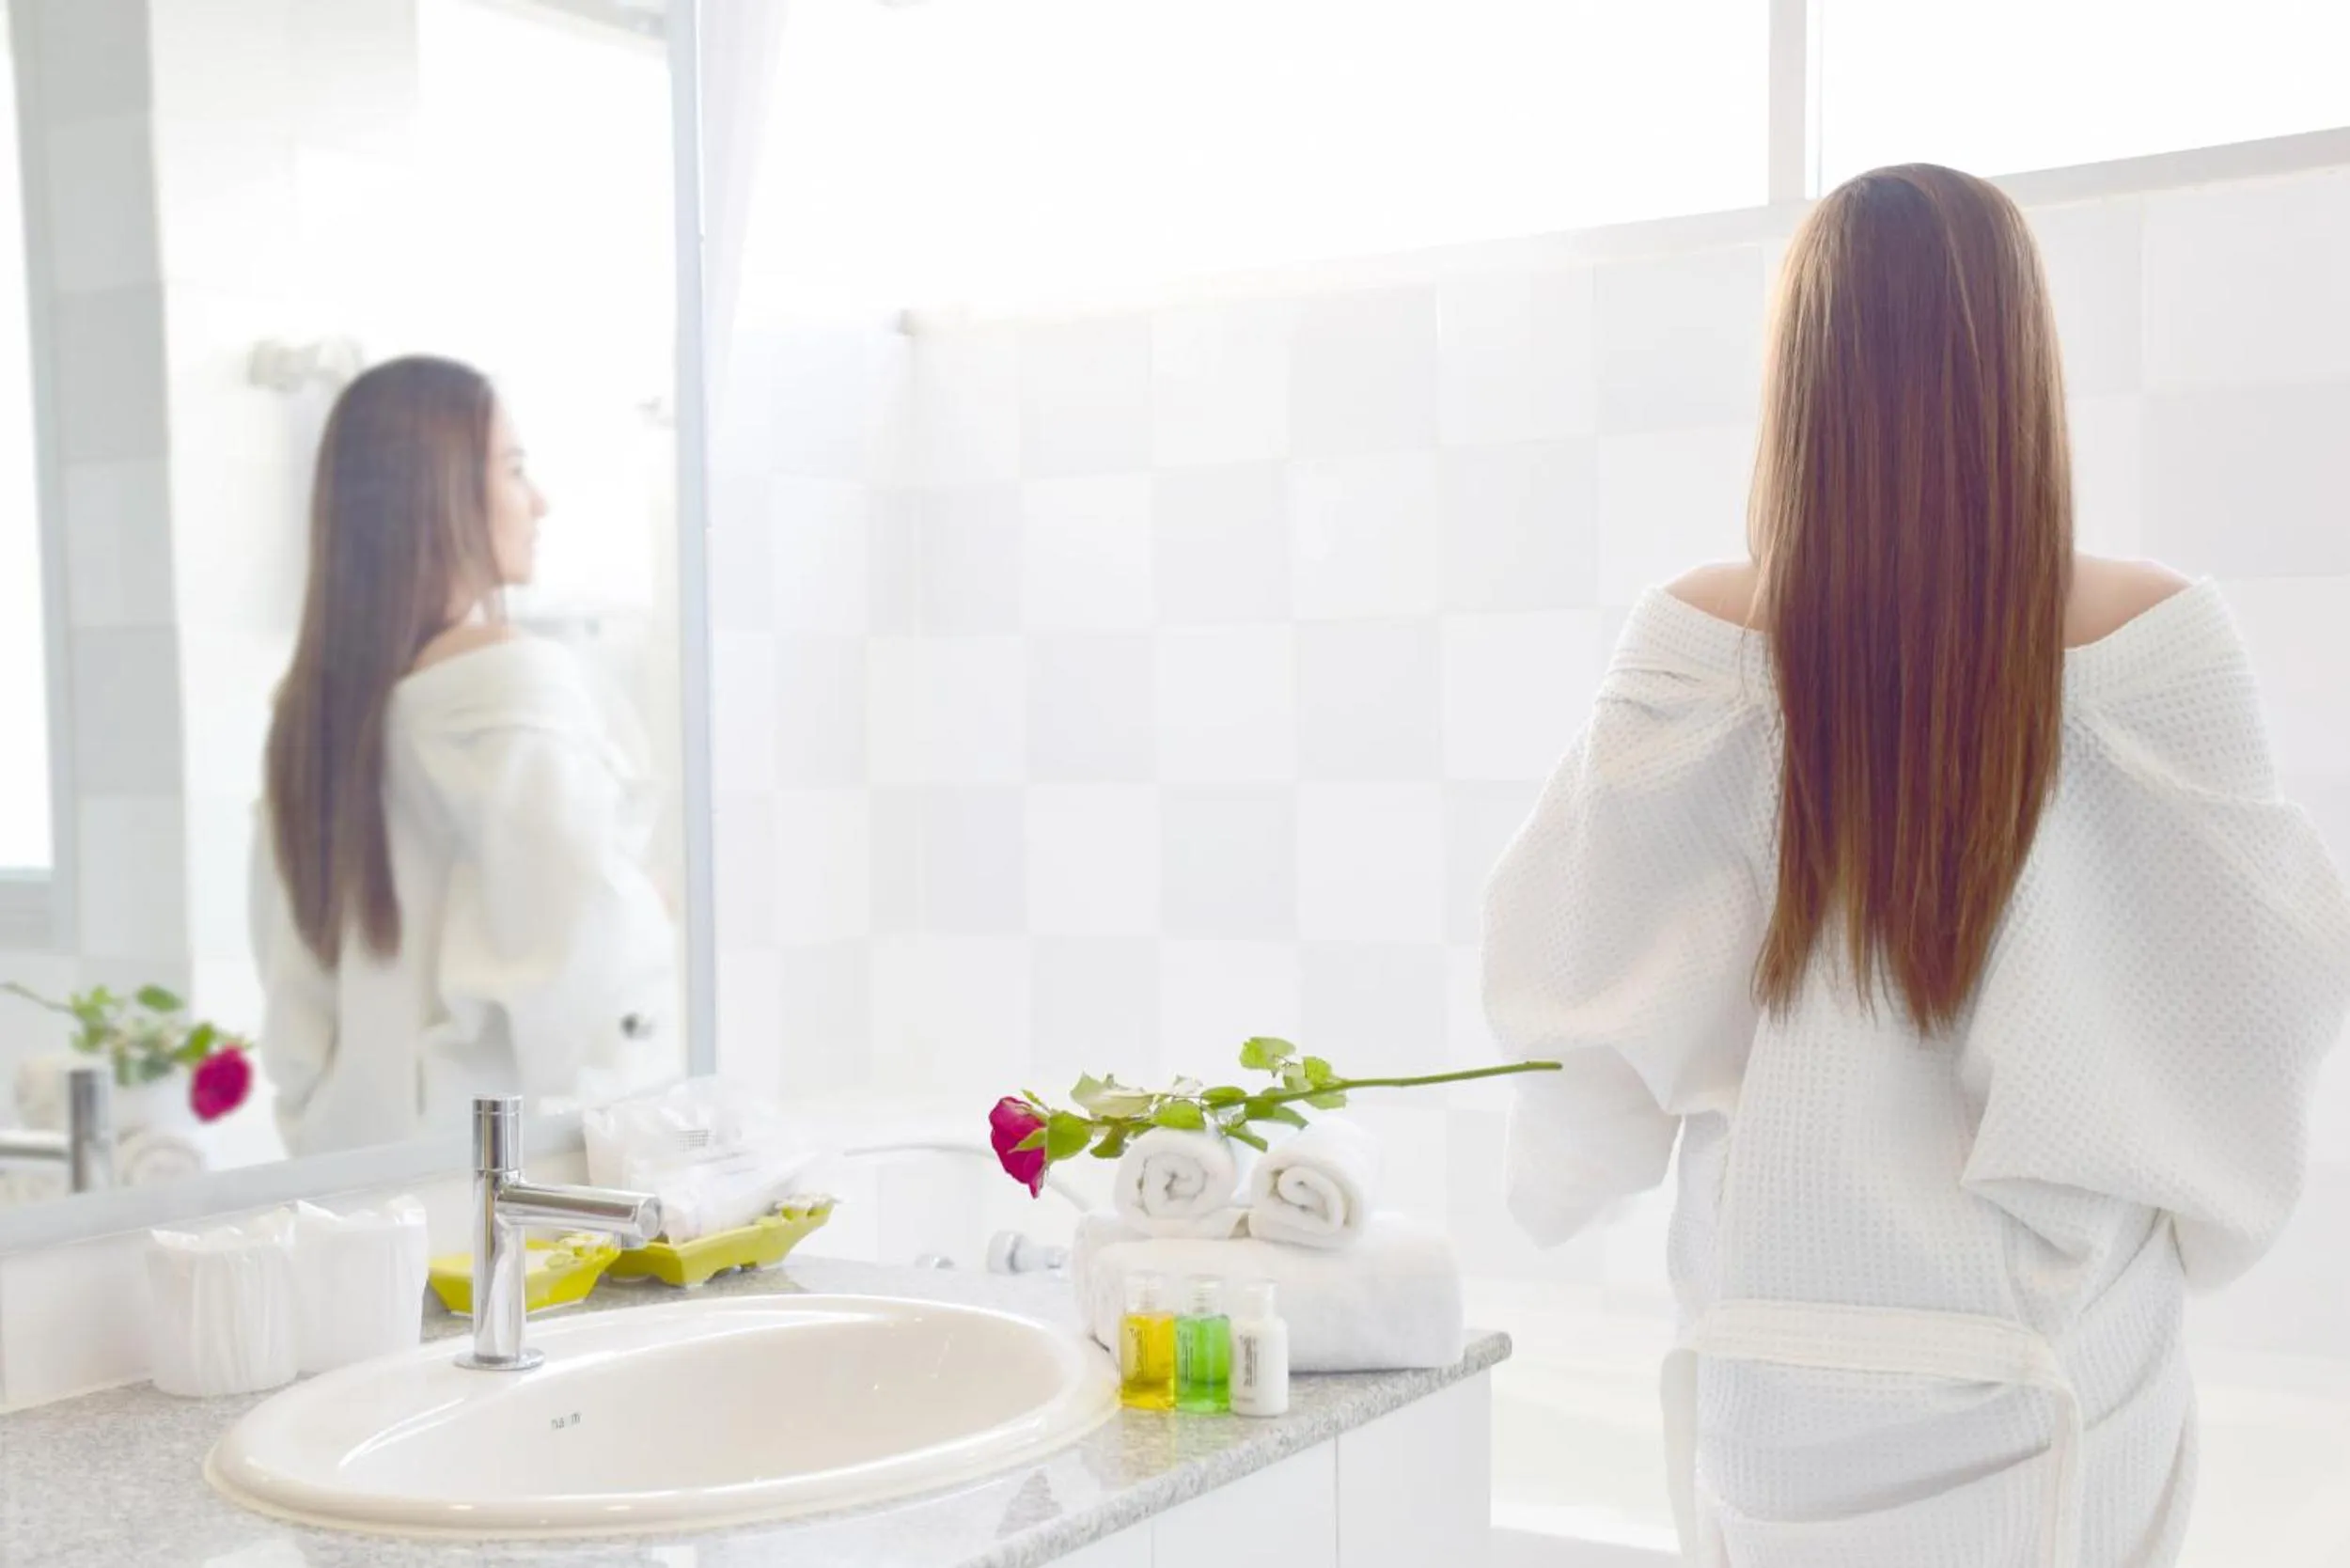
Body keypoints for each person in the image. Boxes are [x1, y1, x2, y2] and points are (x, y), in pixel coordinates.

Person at [1483, 165, 2350, 1568]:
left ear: (1801, 375)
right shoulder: (2158, 639)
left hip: (1770, 1375)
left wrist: (1577, 1169)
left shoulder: (1696, 640)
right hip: (2048, 1371)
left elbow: (1572, 998)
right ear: (2019, 361)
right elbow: (2256, 1003)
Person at [254, 355, 674, 1157]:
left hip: (350, 1184)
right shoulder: (510, 689)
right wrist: (646, 901)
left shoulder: (309, 721)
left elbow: (294, 1000)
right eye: (515, 470)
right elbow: (579, 975)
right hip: (491, 1184)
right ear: (439, 496)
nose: (539, 503)